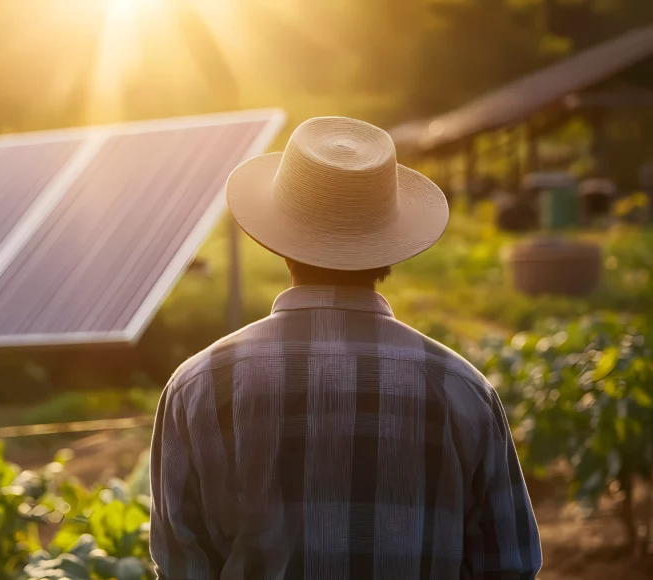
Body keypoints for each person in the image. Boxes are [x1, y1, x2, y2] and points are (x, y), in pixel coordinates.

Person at [148, 117, 542, 579]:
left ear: (280, 242)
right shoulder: (462, 391)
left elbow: (183, 565)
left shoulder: (199, 385)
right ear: (390, 249)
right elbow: (509, 566)